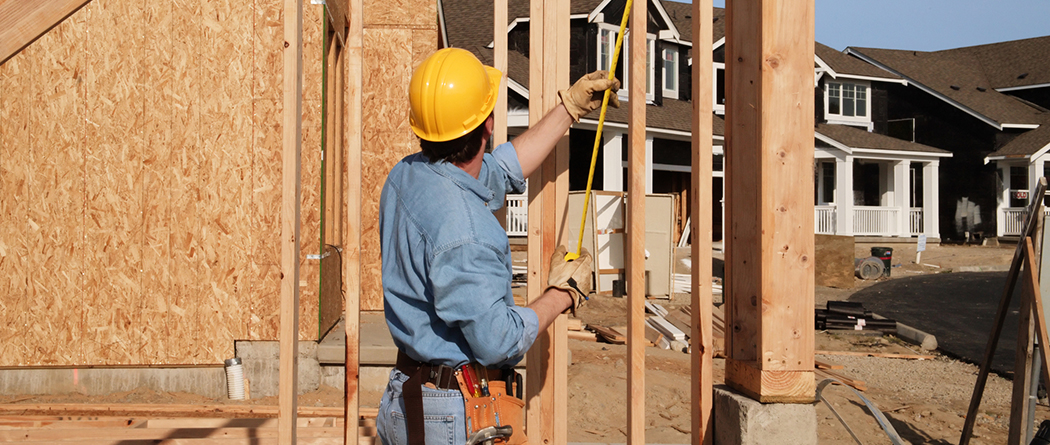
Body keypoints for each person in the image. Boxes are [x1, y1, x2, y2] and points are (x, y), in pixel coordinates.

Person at [377, 47, 619, 445]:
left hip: (407, 397)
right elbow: (497, 341)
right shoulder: (467, 231)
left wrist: (569, 108)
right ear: (488, 125)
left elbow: (502, 167)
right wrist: (564, 293)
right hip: (451, 415)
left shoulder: (407, 176)